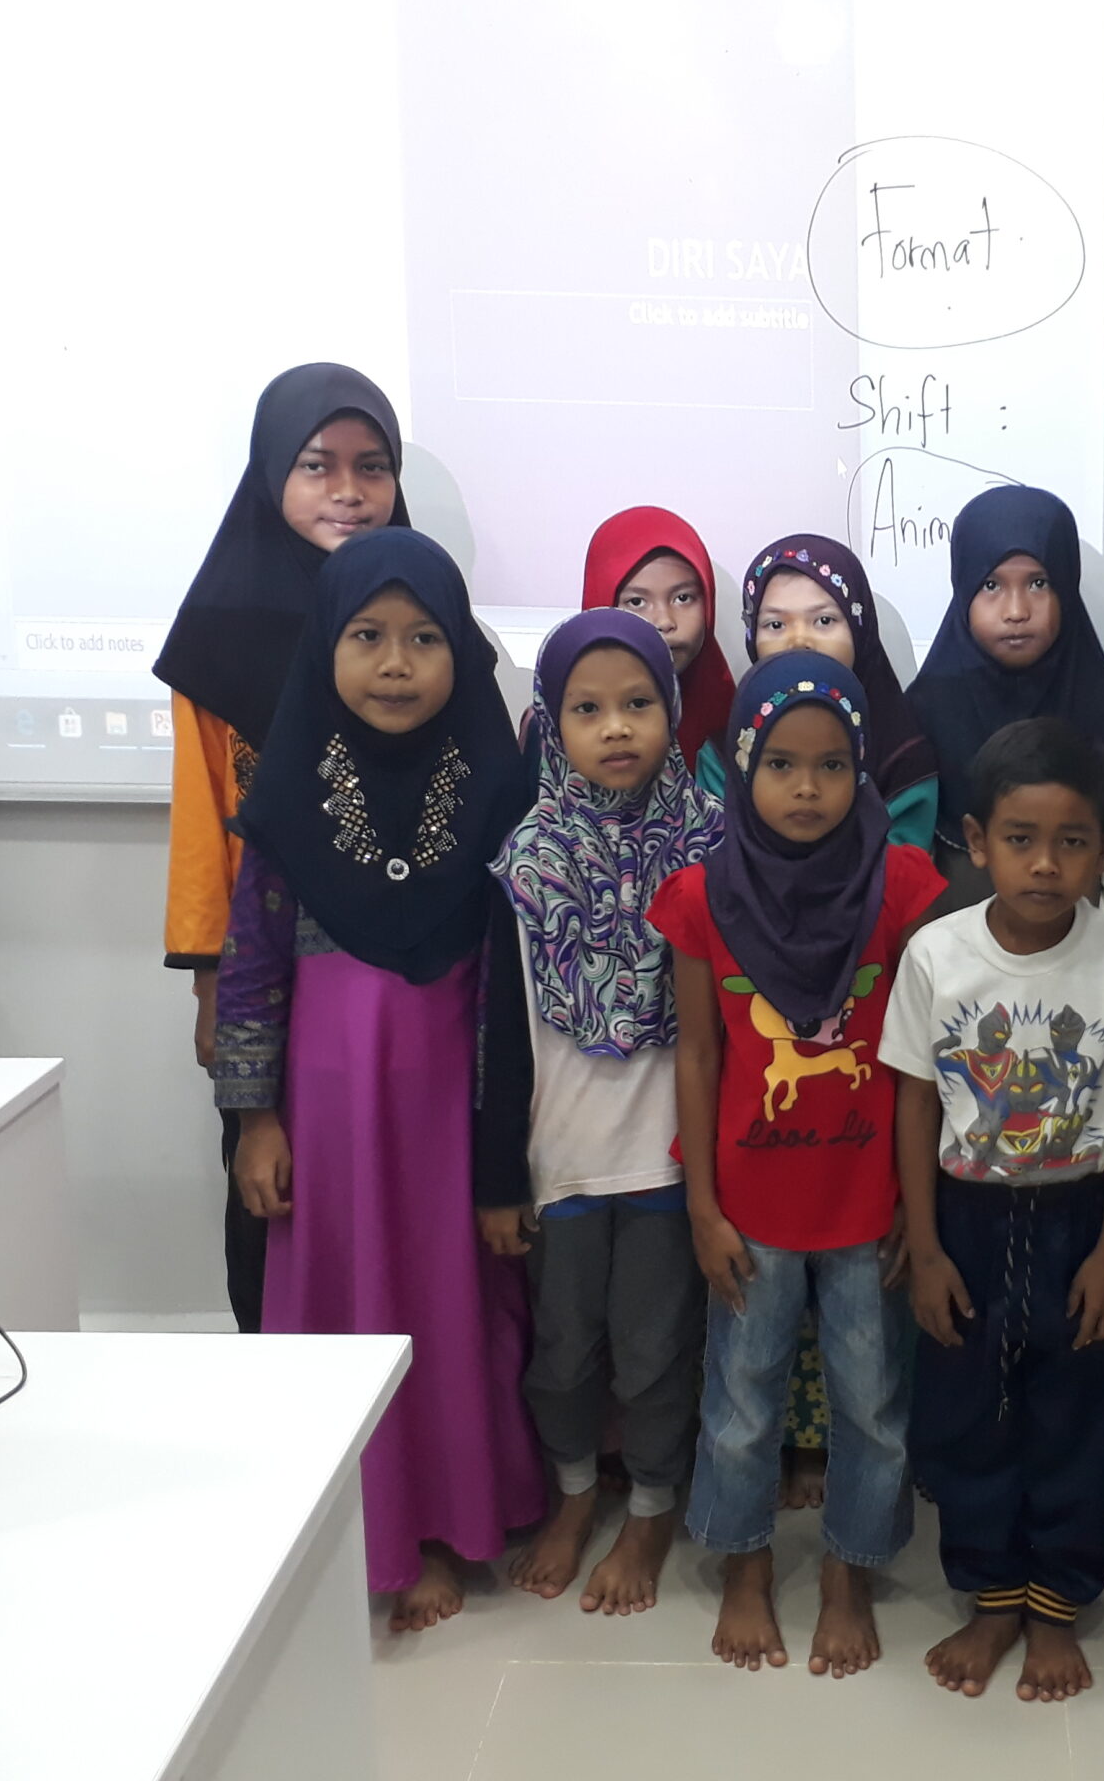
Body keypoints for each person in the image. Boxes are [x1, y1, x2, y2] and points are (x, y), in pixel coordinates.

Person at [210, 527, 542, 1630]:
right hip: (331, 1119)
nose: (395, 664)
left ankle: (444, 1522)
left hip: (448, 1113)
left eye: (423, 639)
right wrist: (255, 1119)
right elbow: (251, 966)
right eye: (367, 636)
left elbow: (510, 986)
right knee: (347, 1307)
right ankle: (355, 1528)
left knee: (448, 1303)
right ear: (325, 646)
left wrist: (505, 1152)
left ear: (462, 653)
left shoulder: (497, 789)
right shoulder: (287, 796)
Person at [649, 653, 947, 1678]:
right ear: (743, 765)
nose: (808, 788)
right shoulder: (701, 896)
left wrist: (916, 1202)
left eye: (832, 765)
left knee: (873, 1406)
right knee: (742, 1407)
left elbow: (919, 1056)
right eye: (781, 764)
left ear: (862, 768)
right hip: (748, 1208)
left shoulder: (900, 885)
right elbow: (697, 1054)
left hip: (869, 1203)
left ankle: (847, 1571)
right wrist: (701, 1205)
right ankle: (743, 1565)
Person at [884, 718, 1104, 1704]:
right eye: (1020, 839)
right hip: (966, 1220)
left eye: (1072, 842)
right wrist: (923, 1247)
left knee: (1077, 1417)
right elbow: (916, 1100)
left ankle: (1056, 1603)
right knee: (969, 1418)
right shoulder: (936, 954)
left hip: (1080, 1217)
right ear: (976, 839)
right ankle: (992, 1595)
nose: (1045, 864)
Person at [479, 610, 723, 1613]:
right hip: (564, 1154)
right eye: (586, 709)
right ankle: (576, 1492)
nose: (616, 727)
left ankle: (654, 1505)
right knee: (564, 1349)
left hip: (669, 1155)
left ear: (671, 711)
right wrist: (500, 1177)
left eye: (637, 704)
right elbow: (500, 1034)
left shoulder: (712, 849)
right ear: (551, 722)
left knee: (658, 1347)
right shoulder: (526, 861)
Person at [156, 363, 408, 1333]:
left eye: (371, 466)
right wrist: (209, 984)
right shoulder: (219, 632)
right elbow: (200, 821)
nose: (348, 490)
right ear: (271, 473)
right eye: (316, 465)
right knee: (274, 1193)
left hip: (395, 971)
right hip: (263, 971)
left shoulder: (418, 620)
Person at [907, 487, 1104, 923]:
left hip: (1080, 949)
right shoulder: (926, 709)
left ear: (1067, 587)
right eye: (991, 585)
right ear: (963, 587)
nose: (1017, 610)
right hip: (957, 949)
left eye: (1039, 583)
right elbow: (913, 866)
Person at [699, 534, 940, 851]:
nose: (799, 641)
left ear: (860, 629)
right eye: (775, 625)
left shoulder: (901, 758)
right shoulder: (722, 755)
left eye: (824, 620)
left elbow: (903, 867)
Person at [585, 506, 735, 765]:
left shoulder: (743, 729)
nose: (664, 622)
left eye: (683, 598)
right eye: (636, 602)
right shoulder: (558, 729)